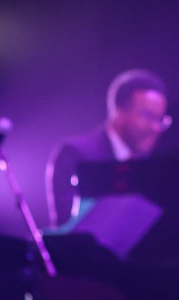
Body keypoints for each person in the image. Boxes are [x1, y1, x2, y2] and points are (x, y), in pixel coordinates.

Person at [45, 69, 171, 229]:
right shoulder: (75, 153)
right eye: (147, 116)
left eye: (160, 119)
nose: (155, 128)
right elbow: (66, 225)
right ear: (118, 111)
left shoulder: (148, 164)